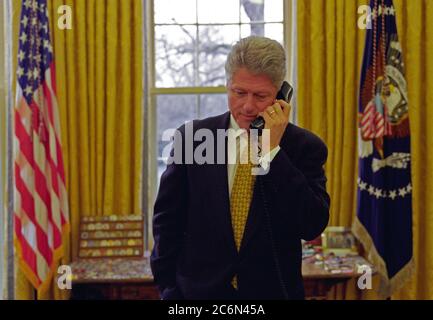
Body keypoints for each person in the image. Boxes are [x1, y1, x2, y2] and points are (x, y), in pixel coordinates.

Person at [150, 36, 330, 300]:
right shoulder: (192, 139)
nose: (247, 106)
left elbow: (311, 224)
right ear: (227, 85)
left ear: (281, 94)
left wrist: (272, 152)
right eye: (239, 92)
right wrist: (168, 290)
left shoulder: (305, 147)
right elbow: (167, 223)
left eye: (260, 96)